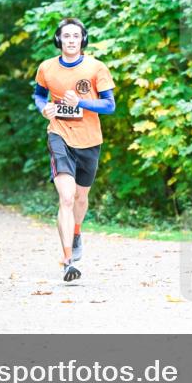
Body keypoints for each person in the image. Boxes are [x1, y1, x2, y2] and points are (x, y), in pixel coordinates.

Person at [33, 17, 116, 282]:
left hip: (89, 140)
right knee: (66, 198)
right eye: (66, 36)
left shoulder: (96, 67)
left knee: (80, 198)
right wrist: (43, 108)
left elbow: (110, 105)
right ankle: (68, 261)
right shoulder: (47, 68)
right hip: (59, 135)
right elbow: (39, 95)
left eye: (75, 36)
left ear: (83, 40)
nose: (71, 40)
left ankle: (77, 232)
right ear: (59, 39)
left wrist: (80, 102)